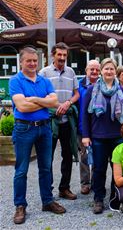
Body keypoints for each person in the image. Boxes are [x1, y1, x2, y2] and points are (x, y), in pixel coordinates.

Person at [10, 47, 65, 224]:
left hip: (45, 128)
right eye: (29, 61)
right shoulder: (15, 81)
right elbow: (22, 107)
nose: (33, 63)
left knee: (46, 167)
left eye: (35, 60)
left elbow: (55, 102)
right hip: (24, 129)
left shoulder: (44, 80)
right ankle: (20, 206)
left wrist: (33, 99)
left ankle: (47, 201)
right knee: (21, 170)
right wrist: (43, 102)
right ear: (21, 62)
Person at [82, 58, 123, 214]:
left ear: (115, 71)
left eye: (111, 69)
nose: (109, 71)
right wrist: (85, 135)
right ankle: (98, 198)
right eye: (106, 69)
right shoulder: (92, 90)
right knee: (99, 169)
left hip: (117, 136)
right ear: (101, 71)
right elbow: (85, 115)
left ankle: (115, 197)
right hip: (98, 137)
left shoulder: (120, 90)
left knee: (117, 169)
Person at [39, 42, 80, 200]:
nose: (62, 58)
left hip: (66, 121)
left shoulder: (71, 72)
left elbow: (76, 94)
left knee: (68, 155)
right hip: (50, 121)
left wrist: (67, 103)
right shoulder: (44, 73)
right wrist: (55, 106)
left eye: (64, 55)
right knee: (47, 156)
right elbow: (40, 96)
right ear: (52, 55)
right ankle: (47, 190)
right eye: (59, 55)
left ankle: (64, 188)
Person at [77, 60, 100, 195]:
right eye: (92, 69)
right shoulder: (79, 85)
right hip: (82, 127)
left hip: (98, 128)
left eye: (97, 69)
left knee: (97, 156)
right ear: (86, 70)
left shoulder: (103, 85)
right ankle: (85, 183)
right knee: (84, 156)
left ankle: (96, 181)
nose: (94, 72)